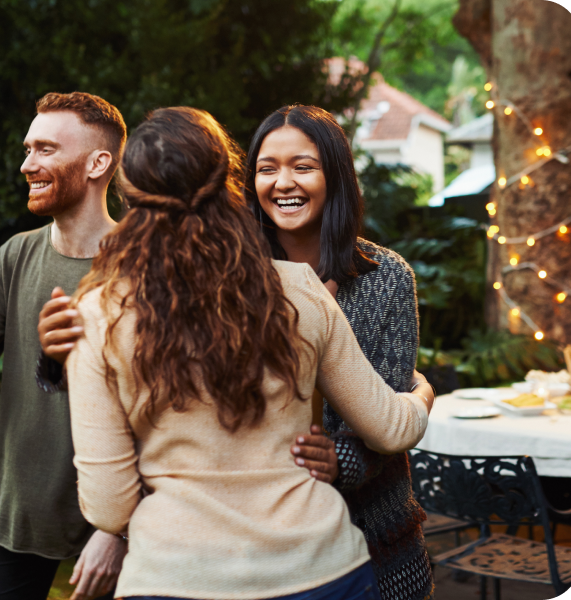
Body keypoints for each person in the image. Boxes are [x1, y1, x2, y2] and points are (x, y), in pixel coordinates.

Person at [64, 106, 432, 600]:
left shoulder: (98, 312)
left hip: (177, 577)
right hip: (319, 570)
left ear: (128, 194)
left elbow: (110, 507)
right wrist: (421, 395)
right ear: (230, 183)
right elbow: (392, 428)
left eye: (303, 166)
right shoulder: (301, 289)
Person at [0, 92, 129, 600]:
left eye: (44, 150)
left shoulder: (146, 261)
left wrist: (118, 529)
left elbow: (173, 406)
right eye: (27, 150)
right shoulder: (17, 255)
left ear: (97, 163)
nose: (27, 165)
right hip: (19, 509)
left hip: (122, 515)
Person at [244, 104, 435, 600]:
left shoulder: (386, 278)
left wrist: (341, 460)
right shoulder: (236, 278)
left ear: (335, 176)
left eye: (302, 167)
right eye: (268, 169)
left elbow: (392, 405)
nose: (283, 182)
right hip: (266, 545)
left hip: (376, 541)